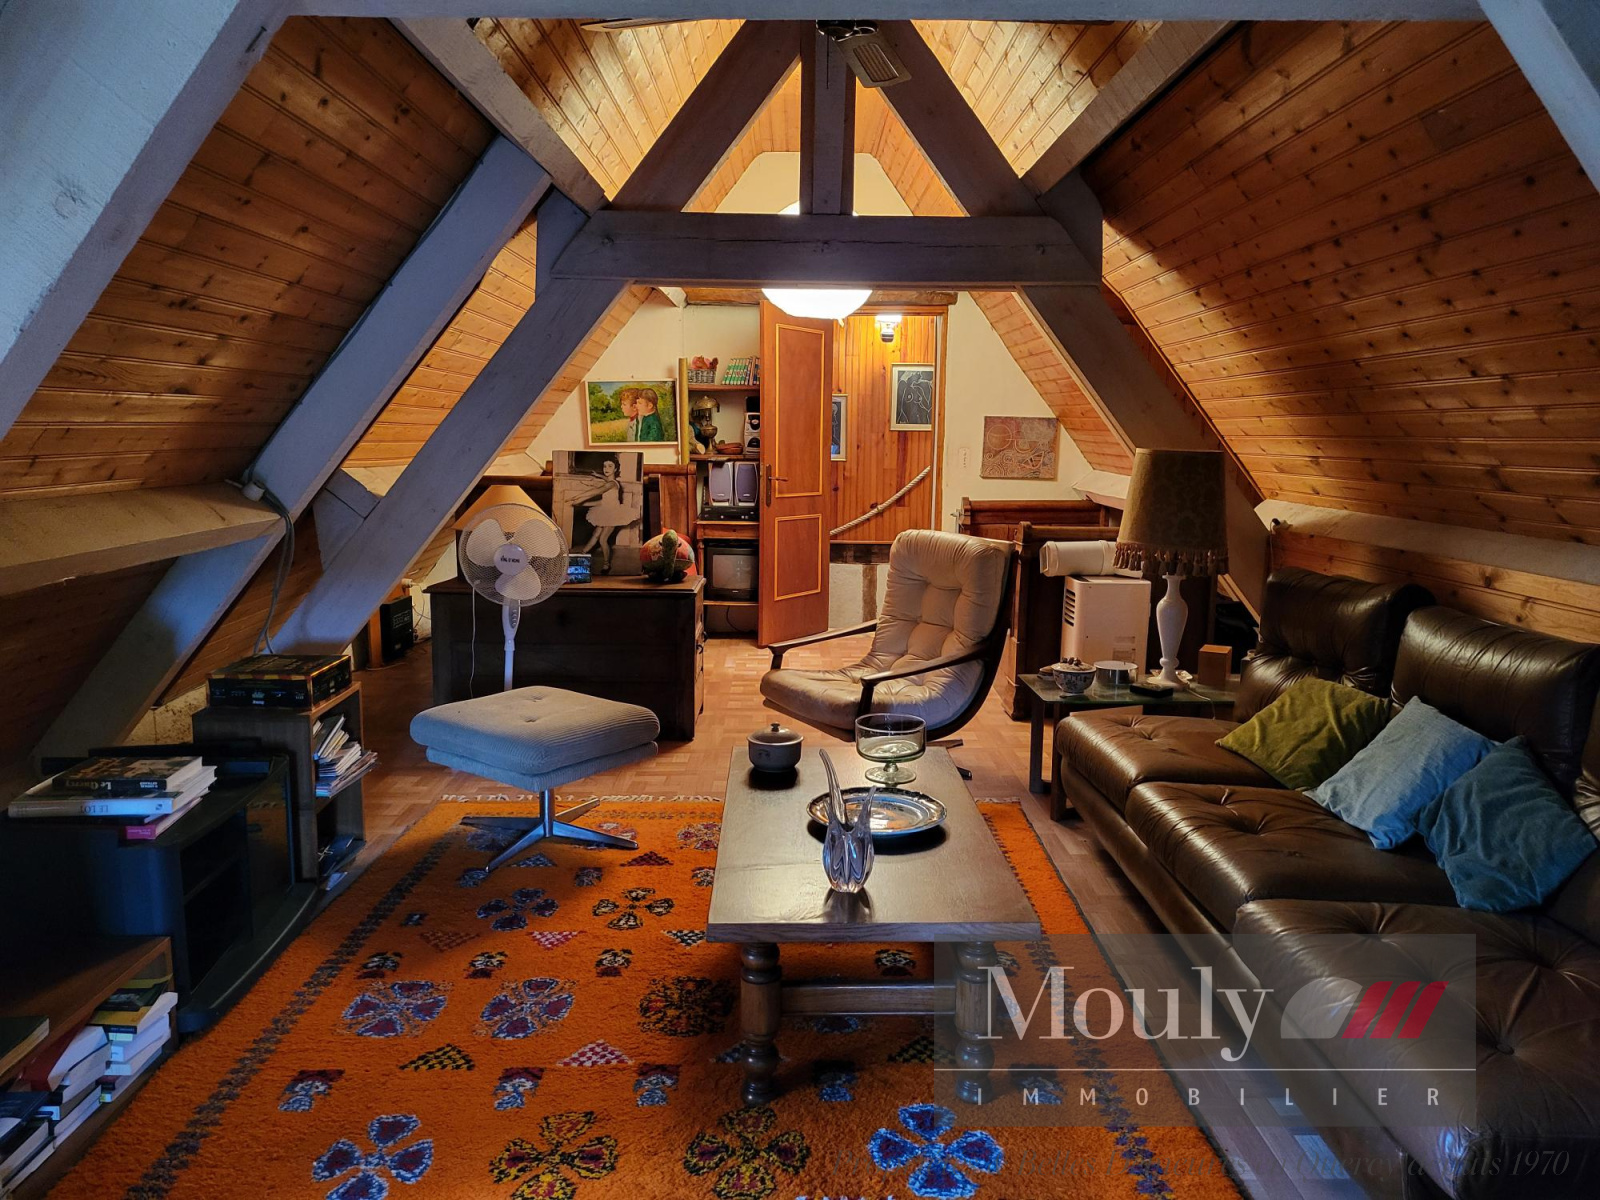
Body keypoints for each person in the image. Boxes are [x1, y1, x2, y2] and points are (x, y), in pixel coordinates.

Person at [573, 455, 637, 573]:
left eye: (610, 466)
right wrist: (598, 475)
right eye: (604, 466)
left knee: (602, 539)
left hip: (613, 514)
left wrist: (579, 497)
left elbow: (597, 491)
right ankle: (583, 553)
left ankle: (607, 564)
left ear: (616, 469)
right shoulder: (610, 481)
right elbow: (604, 496)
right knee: (595, 535)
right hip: (605, 511)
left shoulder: (612, 484)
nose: (606, 469)